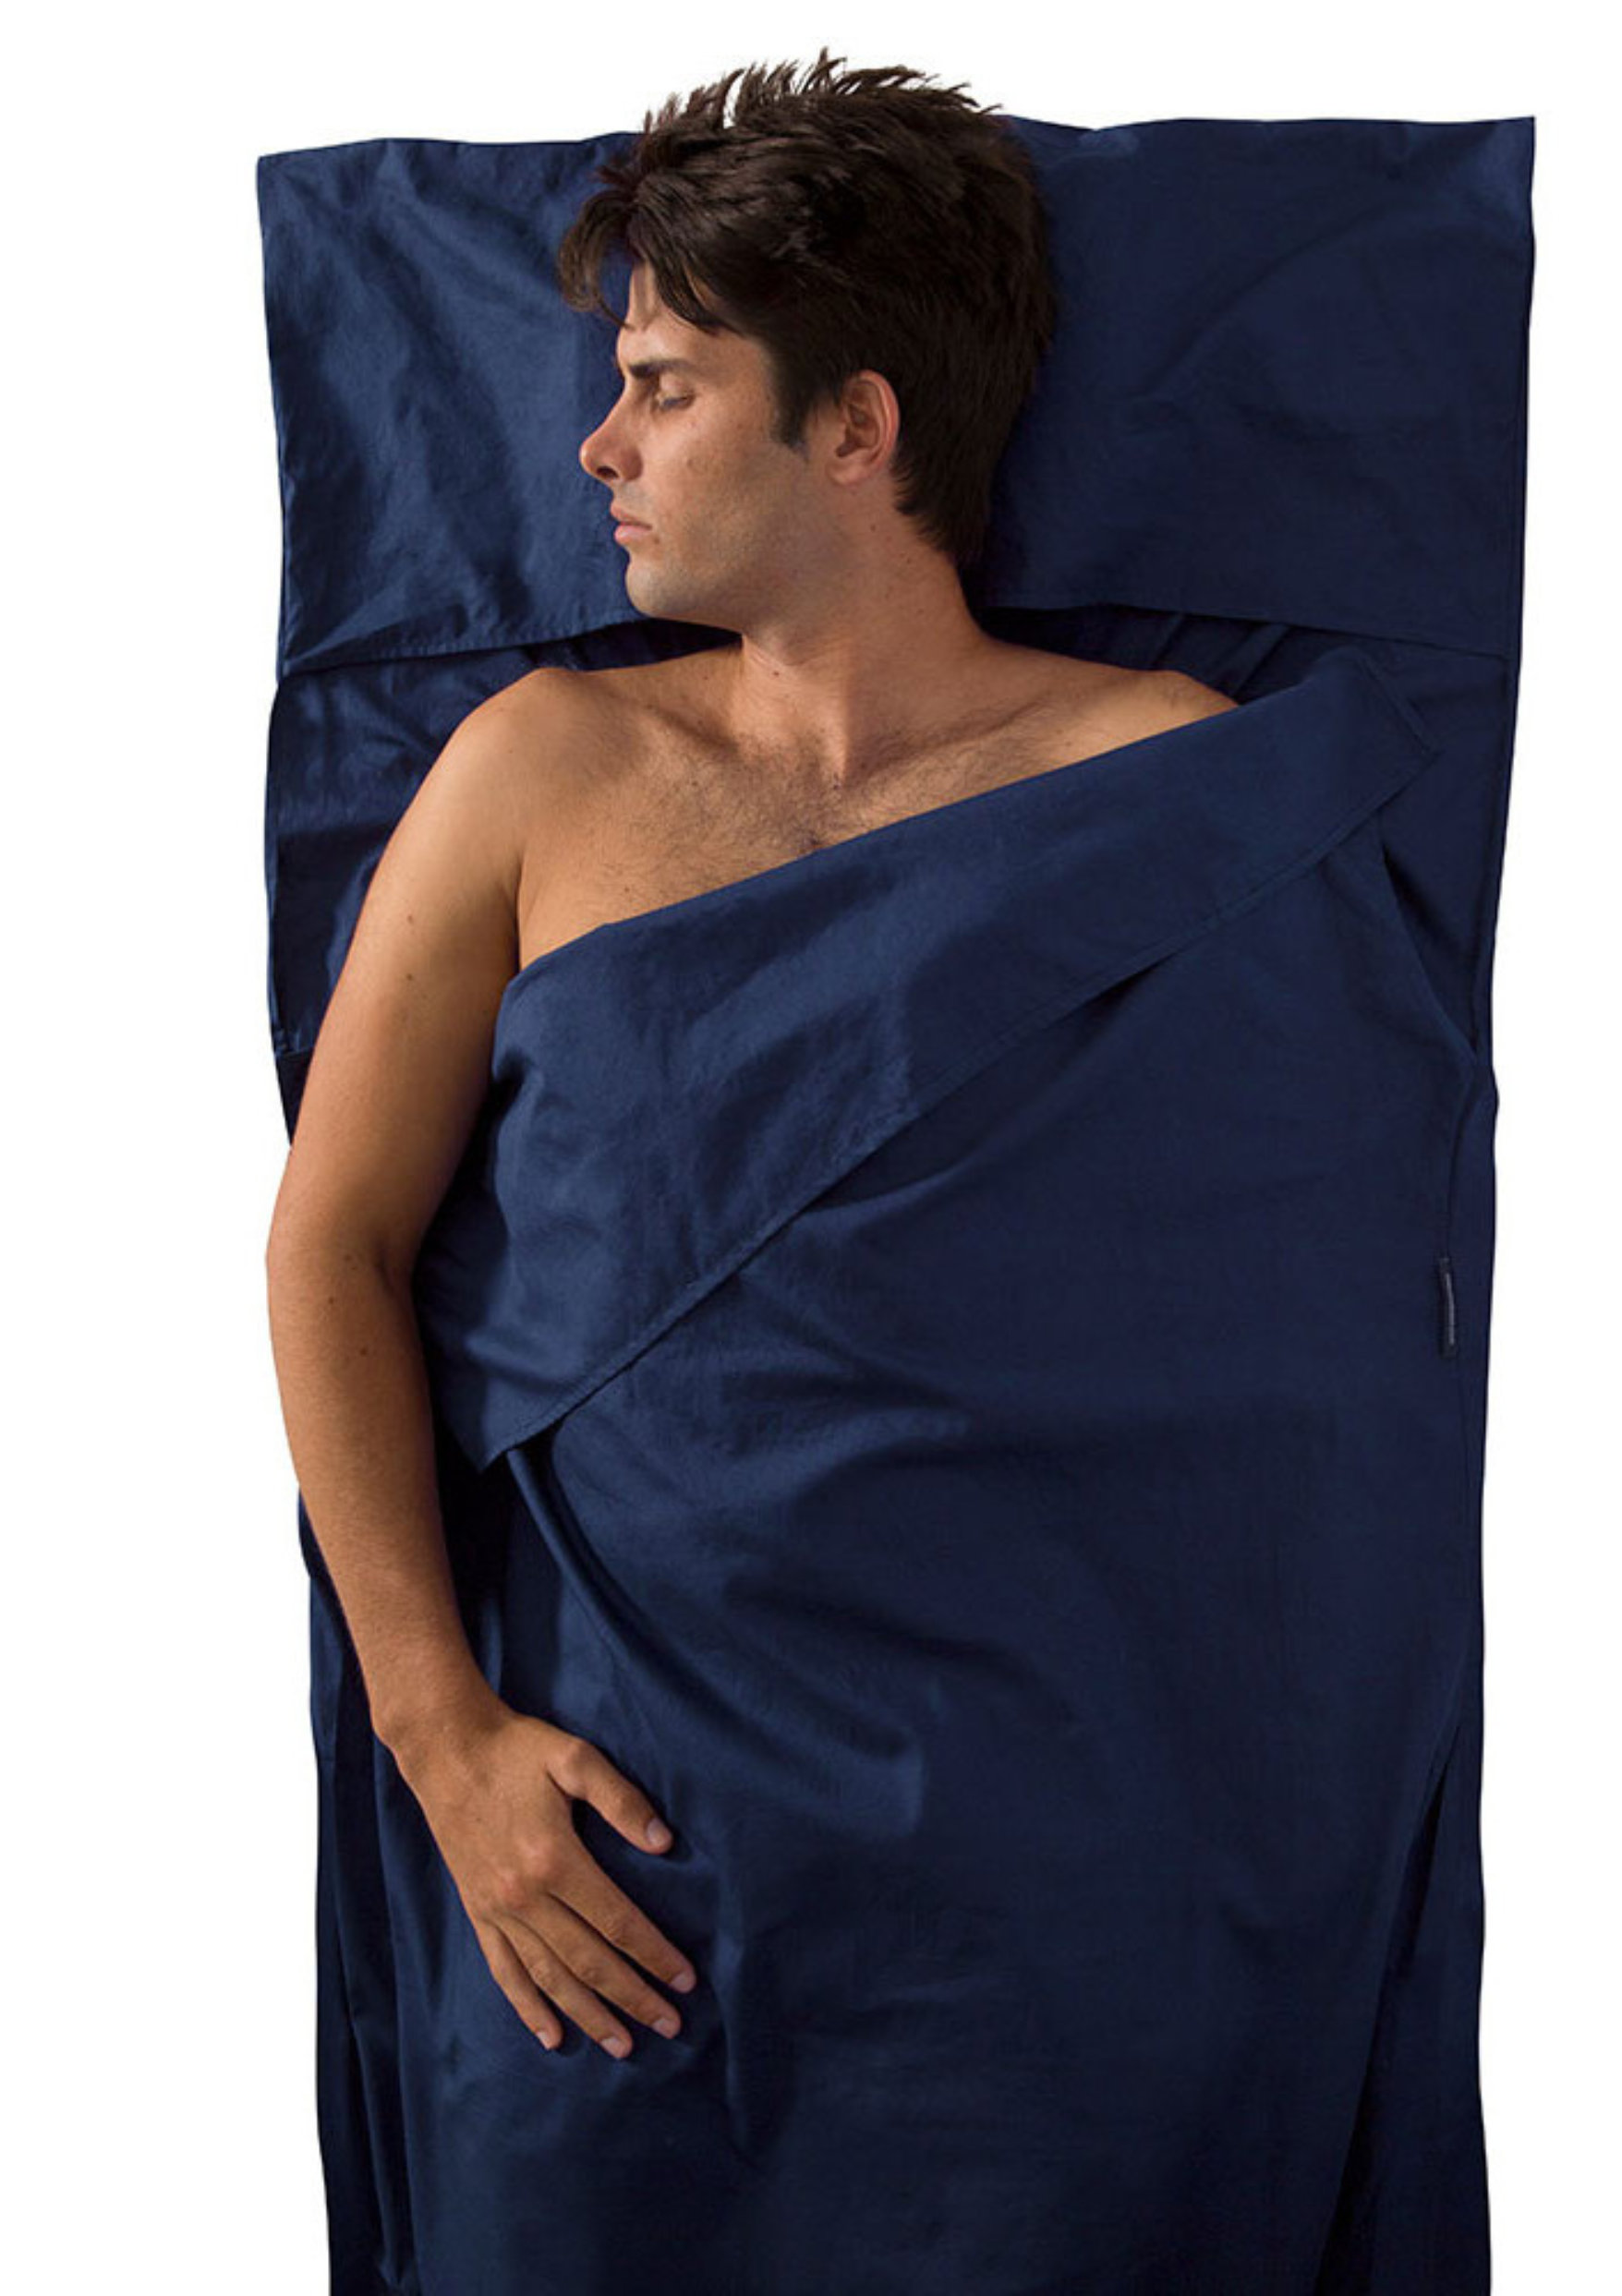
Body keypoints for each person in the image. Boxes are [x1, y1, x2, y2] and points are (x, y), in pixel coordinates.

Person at [264, 50, 1238, 2069]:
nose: (599, 444)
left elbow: (1288, 1301)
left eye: (665, 386)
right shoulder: (540, 768)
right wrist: (439, 1739)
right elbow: (333, 1243)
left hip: (1061, 1826)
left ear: (857, 427)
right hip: (601, 1847)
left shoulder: (1165, 780)